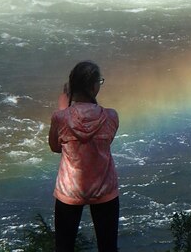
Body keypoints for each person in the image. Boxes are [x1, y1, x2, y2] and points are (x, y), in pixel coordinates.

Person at [49, 61, 120, 252]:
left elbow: (55, 147)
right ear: (94, 87)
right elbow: (105, 143)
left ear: (72, 87)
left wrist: (64, 108)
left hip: (70, 190)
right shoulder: (111, 116)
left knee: (64, 247)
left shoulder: (60, 117)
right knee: (108, 247)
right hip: (105, 188)